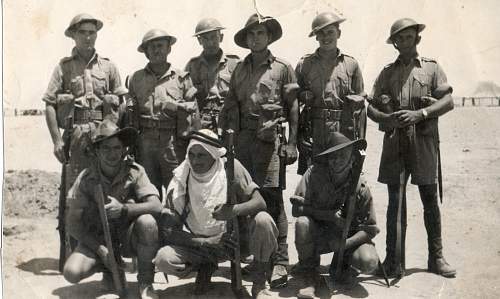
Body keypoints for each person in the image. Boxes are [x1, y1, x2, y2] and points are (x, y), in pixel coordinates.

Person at [367, 18, 456, 278]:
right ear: (394, 43)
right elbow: (370, 106)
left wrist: (423, 113)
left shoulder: (431, 68)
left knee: (429, 198)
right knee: (396, 202)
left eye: (408, 37)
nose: (404, 42)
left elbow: (448, 101)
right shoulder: (386, 72)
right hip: (395, 142)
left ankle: (436, 258)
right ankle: (394, 261)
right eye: (399, 38)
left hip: (424, 141)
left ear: (417, 38)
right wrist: (386, 118)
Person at [219, 13, 299, 288]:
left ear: (269, 37)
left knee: (273, 199)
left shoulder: (283, 68)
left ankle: (279, 261)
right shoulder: (239, 69)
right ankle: (253, 258)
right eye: (251, 34)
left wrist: (291, 143)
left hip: (269, 141)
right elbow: (231, 104)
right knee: (246, 196)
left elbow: (294, 108)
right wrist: (227, 135)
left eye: (260, 33)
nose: (255, 38)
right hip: (242, 141)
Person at [154, 129, 279, 298]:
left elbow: (260, 202)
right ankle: (206, 266)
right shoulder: (180, 178)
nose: (195, 161)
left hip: (235, 242)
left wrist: (232, 211)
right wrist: (206, 242)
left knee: (264, 221)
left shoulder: (230, 167)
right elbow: (169, 231)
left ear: (214, 155)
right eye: (191, 154)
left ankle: (258, 283)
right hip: (201, 244)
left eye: (201, 155)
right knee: (164, 259)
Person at [63, 120, 162, 299]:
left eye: (117, 148)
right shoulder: (86, 179)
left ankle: (145, 282)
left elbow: (156, 206)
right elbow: (72, 224)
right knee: (71, 272)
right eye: (106, 148)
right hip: (98, 238)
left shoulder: (135, 172)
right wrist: (101, 250)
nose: (112, 154)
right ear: (97, 151)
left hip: (127, 237)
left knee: (148, 223)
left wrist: (124, 209)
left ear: (124, 150)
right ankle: (109, 271)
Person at [42, 13, 125, 197]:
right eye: (82, 32)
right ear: (73, 35)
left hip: (104, 135)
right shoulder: (63, 67)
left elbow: (121, 103)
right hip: (76, 134)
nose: (88, 37)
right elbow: (49, 104)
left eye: (92, 32)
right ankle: (72, 226)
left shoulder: (109, 67)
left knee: (107, 186)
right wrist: (57, 140)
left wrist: (120, 139)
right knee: (76, 189)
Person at [291, 132, 379, 298]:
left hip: (347, 238)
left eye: (342, 155)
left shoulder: (360, 186)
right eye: (332, 156)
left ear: (352, 158)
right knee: (302, 223)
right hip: (320, 234)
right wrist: (329, 215)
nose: (336, 160)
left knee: (369, 261)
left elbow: (370, 229)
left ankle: (342, 266)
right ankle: (310, 274)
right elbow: (296, 210)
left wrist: (344, 244)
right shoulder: (313, 174)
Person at [128, 29, 200, 198]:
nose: (156, 50)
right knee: (147, 191)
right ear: (145, 52)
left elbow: (194, 113)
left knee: (176, 192)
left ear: (169, 48)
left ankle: (174, 224)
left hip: (173, 143)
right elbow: (131, 114)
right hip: (145, 143)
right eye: (151, 47)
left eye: (160, 45)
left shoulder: (182, 78)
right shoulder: (135, 79)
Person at [295, 11, 366, 175]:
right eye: (321, 33)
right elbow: (293, 104)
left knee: (342, 178)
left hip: (343, 129)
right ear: (316, 37)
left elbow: (361, 106)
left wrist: (360, 141)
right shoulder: (304, 64)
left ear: (339, 33)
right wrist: (299, 138)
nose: (326, 37)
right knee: (313, 178)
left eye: (330, 32)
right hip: (314, 129)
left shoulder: (351, 64)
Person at [185, 18, 239, 132]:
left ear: (221, 37)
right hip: (202, 125)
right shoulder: (192, 66)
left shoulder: (234, 64)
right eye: (205, 38)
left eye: (214, 37)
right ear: (199, 41)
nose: (210, 43)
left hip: (230, 124)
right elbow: (186, 98)